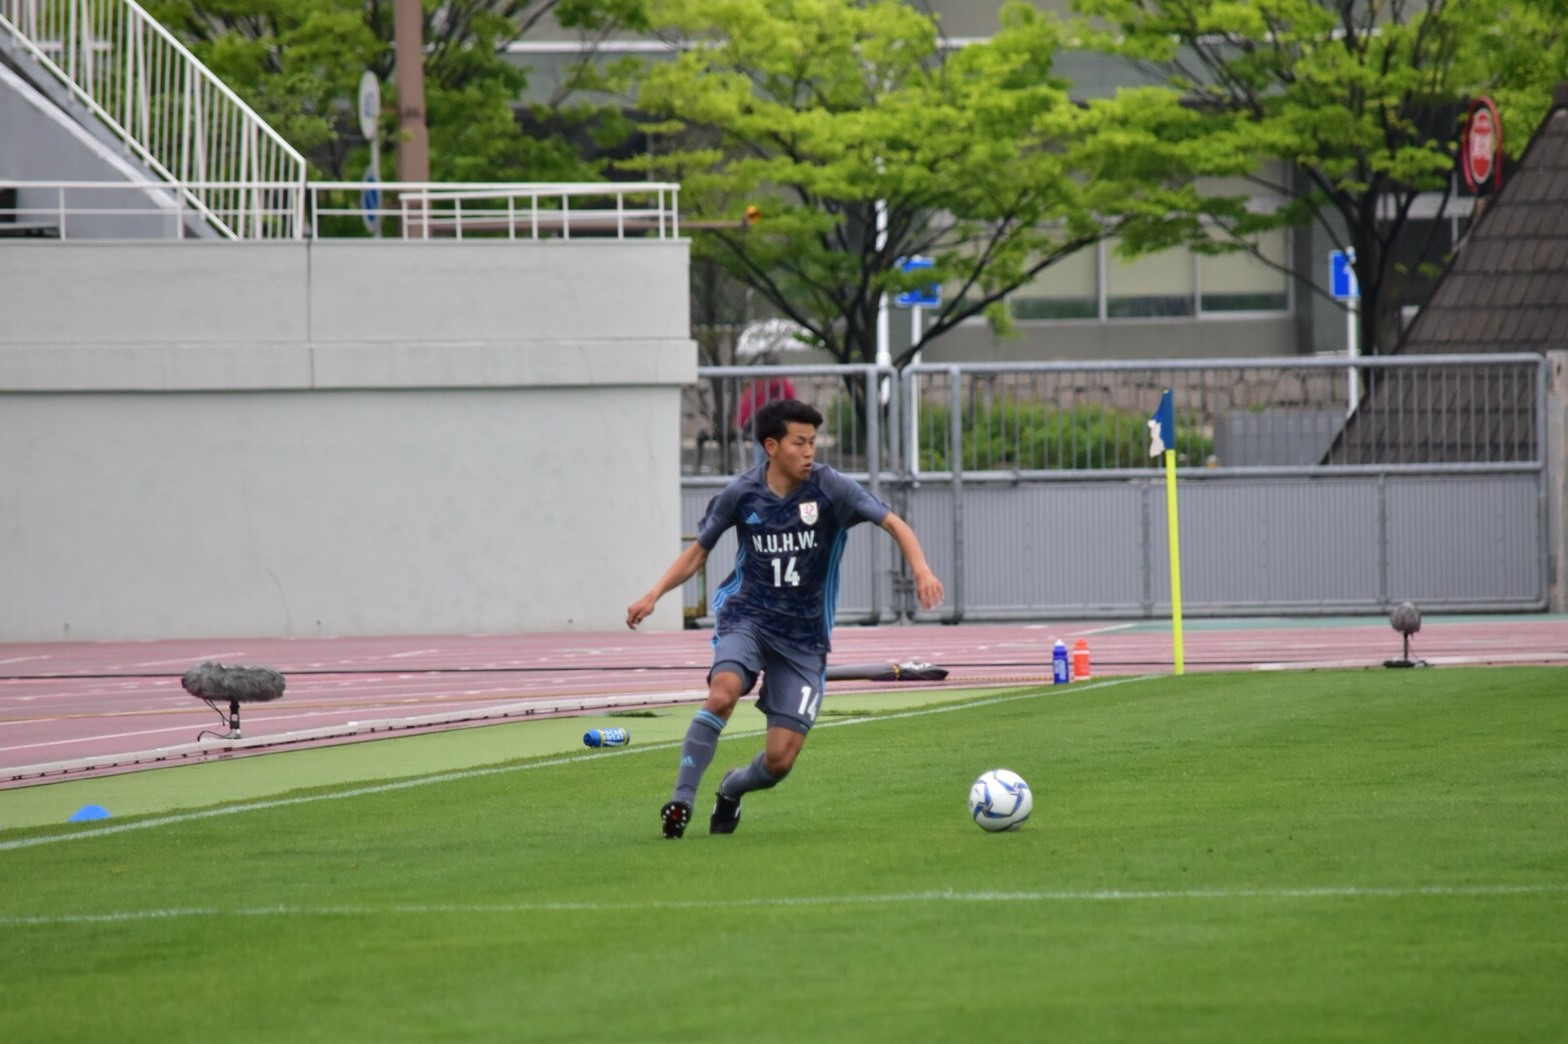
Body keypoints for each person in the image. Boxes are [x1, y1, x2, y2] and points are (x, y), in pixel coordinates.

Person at [626, 398, 945, 839]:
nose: (809, 451)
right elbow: (699, 552)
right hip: (747, 619)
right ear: (771, 446)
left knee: (779, 762)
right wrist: (654, 594)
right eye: (799, 442)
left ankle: (731, 789)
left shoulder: (832, 488)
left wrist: (922, 569)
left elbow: (894, 523)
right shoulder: (741, 494)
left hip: (803, 639)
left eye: (813, 442)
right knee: (722, 694)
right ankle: (681, 800)